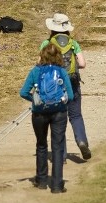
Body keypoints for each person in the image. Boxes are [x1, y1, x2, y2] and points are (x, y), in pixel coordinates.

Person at [19, 44, 74, 193]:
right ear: (58, 57)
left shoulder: (35, 71)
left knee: (41, 145)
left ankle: (42, 180)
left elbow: (23, 92)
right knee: (57, 146)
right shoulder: (62, 72)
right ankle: (57, 184)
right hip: (59, 113)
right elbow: (71, 95)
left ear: (42, 55)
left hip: (39, 113)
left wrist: (35, 100)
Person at [41, 13, 91, 161]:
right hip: (72, 82)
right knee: (75, 116)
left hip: (53, 86)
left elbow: (40, 64)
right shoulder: (73, 43)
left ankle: (60, 155)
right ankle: (81, 141)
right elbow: (82, 64)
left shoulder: (46, 44)